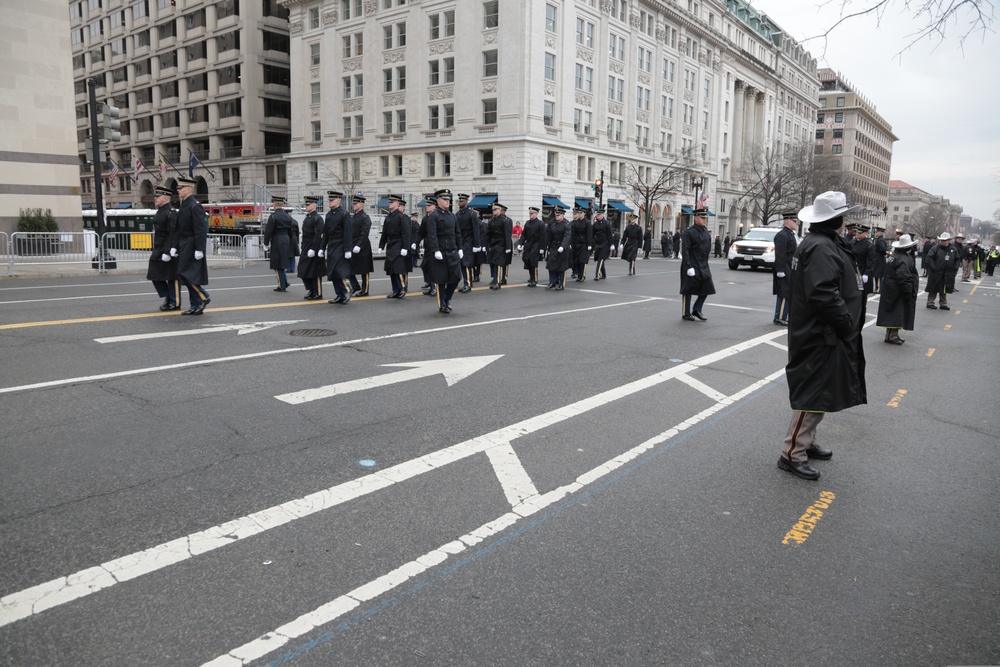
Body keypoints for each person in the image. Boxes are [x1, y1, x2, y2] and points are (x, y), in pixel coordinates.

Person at [780, 191, 867, 481]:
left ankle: (806, 441)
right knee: (814, 392)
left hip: (822, 331)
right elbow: (824, 293)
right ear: (837, 219)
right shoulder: (821, 246)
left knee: (820, 389)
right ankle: (793, 452)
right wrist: (845, 324)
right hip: (822, 333)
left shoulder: (821, 243)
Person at [174, 177, 210, 315]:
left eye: (181, 188)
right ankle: (195, 305)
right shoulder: (184, 205)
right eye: (178, 188)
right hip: (185, 242)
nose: (178, 190)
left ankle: (203, 297)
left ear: (189, 189)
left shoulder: (195, 205)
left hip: (192, 243)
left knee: (186, 274)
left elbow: (200, 230)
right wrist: (175, 246)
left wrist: (199, 249)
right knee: (186, 274)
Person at [876, 233, 919, 345]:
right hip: (898, 289)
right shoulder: (904, 259)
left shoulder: (893, 256)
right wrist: (909, 291)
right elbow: (904, 276)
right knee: (898, 313)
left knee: (892, 312)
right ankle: (893, 336)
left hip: (890, 288)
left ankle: (890, 335)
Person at [425, 189, 463, 312]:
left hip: (452, 251)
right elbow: (432, 235)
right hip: (440, 252)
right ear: (438, 201)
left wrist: (460, 248)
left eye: (449, 199)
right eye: (445, 199)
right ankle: (442, 304)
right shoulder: (433, 216)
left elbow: (457, 233)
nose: (448, 202)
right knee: (441, 280)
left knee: (456, 277)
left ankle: (447, 298)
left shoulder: (452, 216)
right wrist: (435, 250)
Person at [146, 184, 180, 311]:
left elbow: (174, 233)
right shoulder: (160, 211)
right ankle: (167, 296)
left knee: (172, 276)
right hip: (158, 247)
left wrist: (169, 250)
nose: (155, 198)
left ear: (165, 198)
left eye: (158, 196)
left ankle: (175, 301)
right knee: (154, 274)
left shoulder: (171, 213)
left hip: (168, 248)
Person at [679, 208, 715, 321]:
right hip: (691, 263)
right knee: (688, 288)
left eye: (705, 218)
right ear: (695, 218)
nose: (705, 220)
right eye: (702, 218)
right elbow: (685, 250)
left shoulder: (705, 232)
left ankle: (697, 308)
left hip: (703, 263)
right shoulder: (689, 232)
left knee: (707, 286)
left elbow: (707, 248)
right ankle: (686, 312)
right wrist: (688, 266)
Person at [378, 194, 411, 298]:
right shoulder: (388, 217)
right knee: (391, 268)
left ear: (397, 204)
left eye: (392, 202)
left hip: (399, 243)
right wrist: (381, 246)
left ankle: (402, 288)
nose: (390, 204)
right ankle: (395, 289)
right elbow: (384, 233)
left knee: (398, 268)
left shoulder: (401, 217)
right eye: (389, 202)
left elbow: (406, 233)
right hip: (391, 244)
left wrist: (405, 247)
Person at [324, 190, 353, 305]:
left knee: (338, 269)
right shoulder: (329, 214)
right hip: (332, 244)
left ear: (339, 200)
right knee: (332, 271)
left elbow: (347, 232)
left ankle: (346, 290)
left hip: (340, 244)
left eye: (332, 200)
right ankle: (339, 294)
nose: (330, 202)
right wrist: (322, 247)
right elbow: (326, 232)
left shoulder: (344, 214)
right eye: (329, 200)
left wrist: (347, 249)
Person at [297, 195, 326, 300]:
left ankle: (317, 292)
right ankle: (310, 289)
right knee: (303, 270)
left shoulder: (317, 218)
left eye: (308, 204)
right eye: (306, 204)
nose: (306, 206)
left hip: (314, 247)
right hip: (306, 246)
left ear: (314, 205)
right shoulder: (308, 217)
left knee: (315, 271)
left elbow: (318, 235)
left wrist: (314, 249)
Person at [772, 211, 798, 326]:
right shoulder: (782, 235)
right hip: (784, 267)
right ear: (788, 222)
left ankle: (782, 316)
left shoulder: (790, 234)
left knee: (787, 292)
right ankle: (780, 317)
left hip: (789, 266)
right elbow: (780, 254)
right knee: (784, 293)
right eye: (794, 221)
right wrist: (780, 270)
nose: (796, 223)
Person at [263, 195, 294, 292]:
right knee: (283, 262)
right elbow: (291, 230)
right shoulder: (287, 216)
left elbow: (269, 231)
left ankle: (282, 284)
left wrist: (265, 243)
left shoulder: (273, 216)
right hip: (286, 239)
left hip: (277, 239)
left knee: (277, 263)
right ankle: (284, 281)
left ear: (275, 204)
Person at [924, 231, 960, 310]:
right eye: (942, 240)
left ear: (948, 241)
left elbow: (957, 260)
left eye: (944, 240)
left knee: (944, 288)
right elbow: (929, 258)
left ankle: (943, 303)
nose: (943, 242)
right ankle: (930, 302)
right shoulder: (935, 248)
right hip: (936, 272)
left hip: (947, 272)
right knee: (933, 287)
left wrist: (954, 268)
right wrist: (934, 267)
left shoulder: (953, 249)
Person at [347, 194, 373, 296]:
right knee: (348, 267)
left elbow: (364, 233)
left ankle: (365, 290)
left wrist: (359, 245)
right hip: (353, 244)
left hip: (363, 246)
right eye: (353, 203)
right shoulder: (353, 217)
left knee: (364, 269)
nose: (353, 205)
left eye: (355, 203)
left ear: (361, 204)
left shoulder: (365, 217)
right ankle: (355, 285)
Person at [455, 194, 481, 293]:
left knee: (466, 263)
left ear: (466, 202)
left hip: (469, 241)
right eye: (459, 201)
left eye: (462, 201)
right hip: (460, 242)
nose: (460, 203)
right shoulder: (457, 214)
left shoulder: (471, 214)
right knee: (461, 264)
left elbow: (476, 230)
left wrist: (477, 244)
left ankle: (468, 284)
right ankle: (466, 282)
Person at [487, 202, 513, 289]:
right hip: (493, 243)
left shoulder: (505, 220)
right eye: (493, 210)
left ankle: (498, 282)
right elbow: (488, 233)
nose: (494, 211)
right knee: (493, 263)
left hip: (501, 244)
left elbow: (507, 234)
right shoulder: (491, 220)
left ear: (500, 210)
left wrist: (508, 247)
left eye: (496, 210)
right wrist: (486, 244)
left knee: (498, 263)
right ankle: (495, 279)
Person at [544, 206, 571, 289]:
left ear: (562, 215)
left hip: (561, 248)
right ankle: (552, 282)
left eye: (558, 215)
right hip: (553, 246)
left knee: (561, 267)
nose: (557, 217)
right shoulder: (553, 224)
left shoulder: (566, 224)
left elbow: (567, 237)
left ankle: (561, 284)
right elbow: (549, 235)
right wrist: (547, 245)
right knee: (551, 265)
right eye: (556, 215)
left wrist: (563, 246)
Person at [518, 206, 546, 287]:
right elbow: (524, 235)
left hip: (536, 244)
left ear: (536, 214)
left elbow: (543, 237)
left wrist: (542, 248)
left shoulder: (540, 224)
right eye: (530, 213)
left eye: (532, 213)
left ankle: (533, 279)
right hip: (528, 244)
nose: (530, 215)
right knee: (526, 260)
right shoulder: (527, 223)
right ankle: (531, 277)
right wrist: (520, 243)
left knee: (533, 261)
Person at [570, 206, 593, 282]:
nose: (579, 214)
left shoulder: (587, 222)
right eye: (578, 213)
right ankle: (578, 275)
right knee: (576, 260)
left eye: (581, 213)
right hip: (577, 243)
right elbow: (573, 234)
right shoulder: (575, 223)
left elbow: (589, 234)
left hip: (584, 243)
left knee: (582, 260)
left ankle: (581, 276)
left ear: (584, 214)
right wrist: (571, 243)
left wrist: (589, 244)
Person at [591, 206, 612, 280]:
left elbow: (609, 234)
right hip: (598, 243)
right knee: (600, 259)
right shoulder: (595, 224)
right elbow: (592, 235)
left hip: (605, 243)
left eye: (599, 215)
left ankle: (597, 274)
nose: (598, 216)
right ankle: (604, 274)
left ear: (603, 215)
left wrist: (611, 244)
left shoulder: (606, 223)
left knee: (600, 259)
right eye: (597, 215)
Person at [867, 226, 888, 293]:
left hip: (879, 260)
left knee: (878, 275)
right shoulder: (880, 239)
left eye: (877, 232)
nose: (876, 233)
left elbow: (883, 249)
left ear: (880, 233)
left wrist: (882, 253)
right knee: (877, 275)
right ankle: (877, 288)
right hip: (879, 259)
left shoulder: (880, 240)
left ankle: (879, 288)